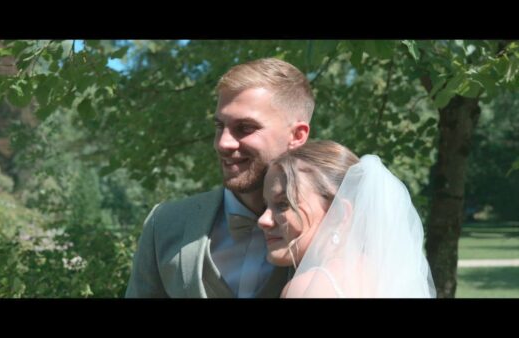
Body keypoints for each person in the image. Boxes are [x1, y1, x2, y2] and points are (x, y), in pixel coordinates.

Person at [125, 58, 314, 297]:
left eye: (245, 128)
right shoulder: (163, 223)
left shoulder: (329, 225)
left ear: (297, 135)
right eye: (219, 126)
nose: (222, 143)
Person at [258, 140, 436, 298]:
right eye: (265, 206)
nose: (263, 220)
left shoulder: (306, 288)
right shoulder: (389, 276)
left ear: (340, 214)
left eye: (283, 205)